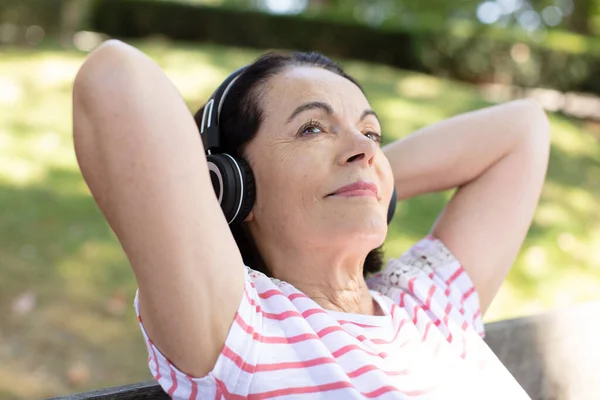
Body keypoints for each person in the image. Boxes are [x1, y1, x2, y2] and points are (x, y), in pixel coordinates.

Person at [72, 40, 550, 399]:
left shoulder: (429, 304)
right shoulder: (246, 328)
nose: (364, 148)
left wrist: (369, 184)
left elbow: (524, 127)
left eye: (370, 132)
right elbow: (116, 74)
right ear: (232, 183)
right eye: (312, 128)